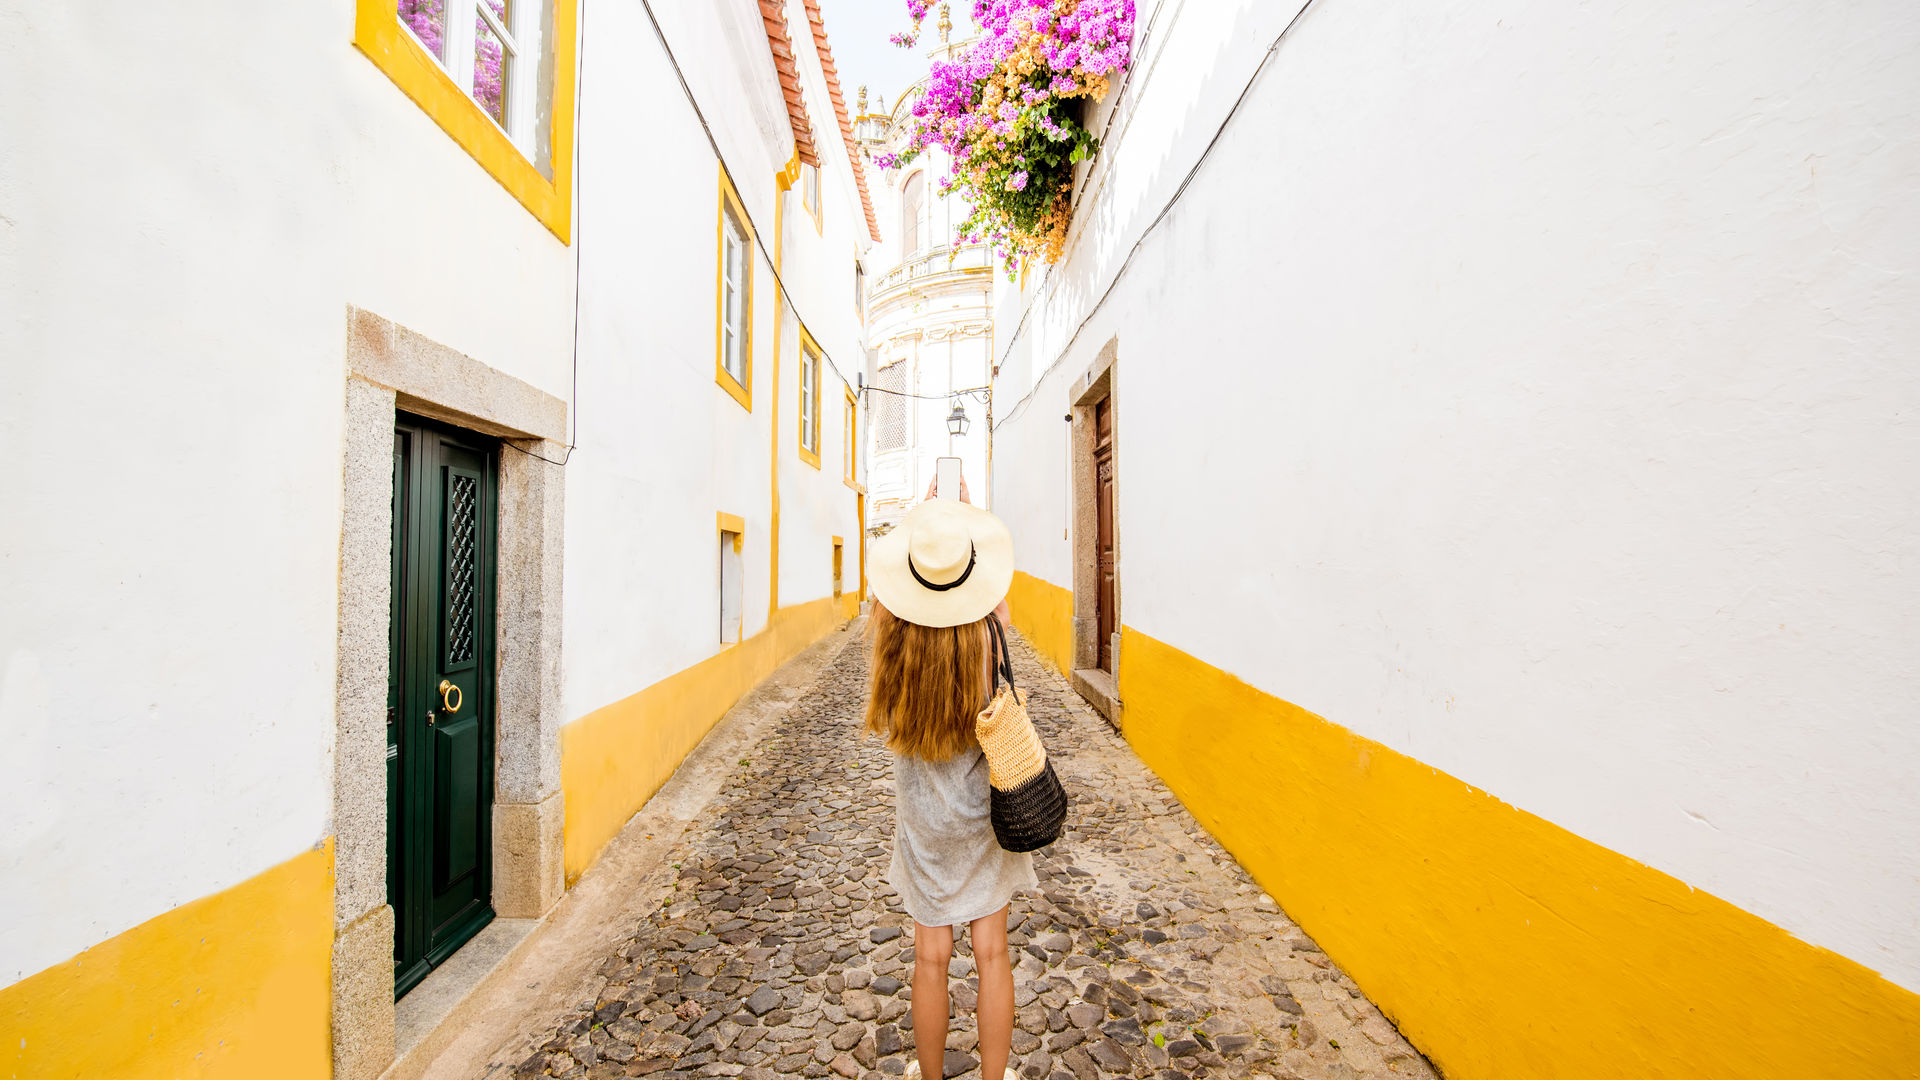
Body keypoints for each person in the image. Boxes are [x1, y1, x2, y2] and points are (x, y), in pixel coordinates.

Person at [864, 484, 1034, 1080]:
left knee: (930, 959)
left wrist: (923, 521)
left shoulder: (892, 628)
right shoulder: (989, 627)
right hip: (983, 809)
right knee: (993, 954)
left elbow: (886, 594)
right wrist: (962, 517)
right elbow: (998, 597)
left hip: (923, 819)